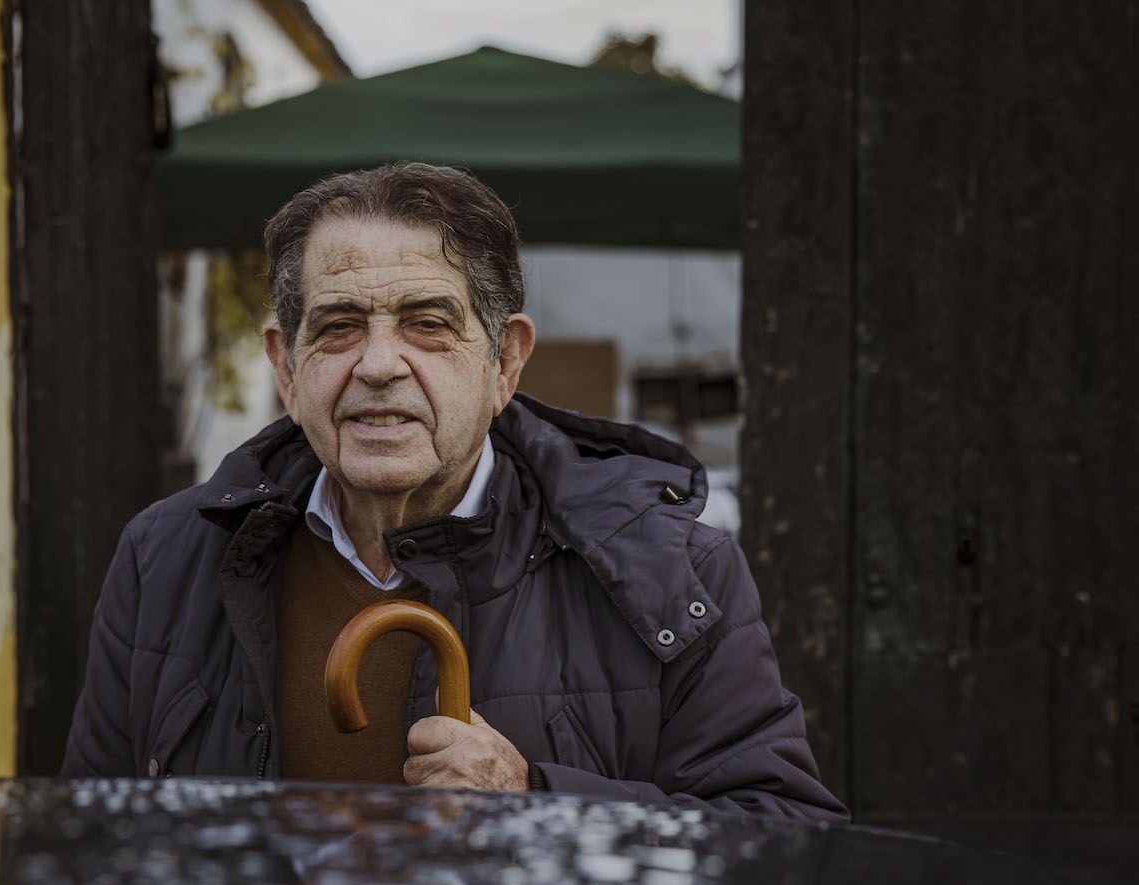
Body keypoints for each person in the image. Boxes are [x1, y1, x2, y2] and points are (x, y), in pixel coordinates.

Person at [63, 162, 847, 821]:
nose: (377, 365)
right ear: (285, 367)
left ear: (505, 362)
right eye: (338, 325)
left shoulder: (673, 573)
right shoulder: (165, 557)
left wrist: (535, 800)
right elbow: (91, 842)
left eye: (428, 323)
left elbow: (784, 836)